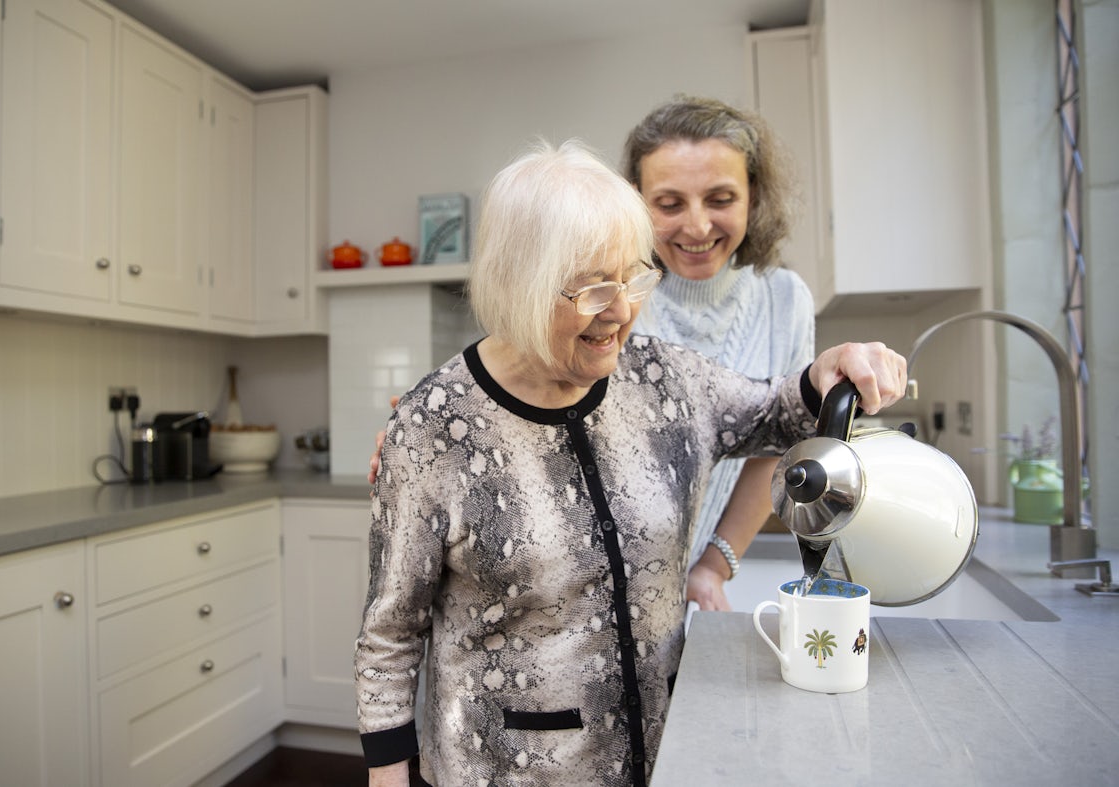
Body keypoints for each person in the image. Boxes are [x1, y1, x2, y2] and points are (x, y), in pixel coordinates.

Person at [356, 139, 907, 786]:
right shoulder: (435, 424)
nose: (620, 311)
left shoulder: (664, 378)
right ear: (517, 284)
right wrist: (387, 776)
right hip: (505, 768)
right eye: (593, 288)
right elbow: (391, 634)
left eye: (634, 277)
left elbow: (775, 414)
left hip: (664, 752)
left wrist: (829, 372)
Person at [623, 95, 814, 612]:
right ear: (635, 203)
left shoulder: (784, 299)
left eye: (721, 198)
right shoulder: (612, 293)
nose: (698, 226)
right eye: (669, 204)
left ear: (754, 195)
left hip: (680, 599)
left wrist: (713, 566)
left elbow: (774, 448)